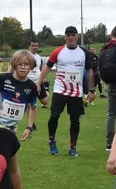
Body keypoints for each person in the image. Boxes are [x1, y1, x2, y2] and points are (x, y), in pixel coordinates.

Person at [36, 26, 94, 157]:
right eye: (68, 35)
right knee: (54, 116)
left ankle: (73, 147)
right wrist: (39, 83)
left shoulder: (84, 52)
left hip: (76, 92)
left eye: (73, 35)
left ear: (77, 36)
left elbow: (90, 71)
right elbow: (47, 68)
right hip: (60, 90)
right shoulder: (58, 51)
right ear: (65, 37)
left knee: (75, 120)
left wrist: (91, 89)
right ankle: (52, 140)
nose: (71, 37)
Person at [0, 50, 38, 141]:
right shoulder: (3, 78)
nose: (23, 67)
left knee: (8, 151)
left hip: (13, 126)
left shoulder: (32, 86)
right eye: (19, 64)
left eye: (26, 64)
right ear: (14, 65)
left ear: (31, 66)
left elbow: (33, 107)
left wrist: (29, 127)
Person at [27, 39, 50, 108]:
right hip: (28, 81)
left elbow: (42, 69)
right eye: (33, 45)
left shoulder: (39, 57)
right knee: (29, 103)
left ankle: (46, 89)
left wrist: (43, 78)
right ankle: (30, 118)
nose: (34, 47)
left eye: (36, 46)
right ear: (29, 46)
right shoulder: (25, 55)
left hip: (38, 81)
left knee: (45, 101)